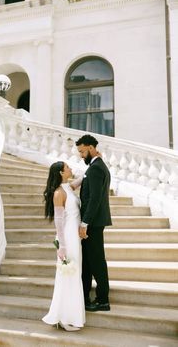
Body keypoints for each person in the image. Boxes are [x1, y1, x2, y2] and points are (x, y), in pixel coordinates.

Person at [42, 161, 85, 331]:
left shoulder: (67, 187)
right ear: (61, 172)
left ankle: (67, 316)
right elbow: (59, 222)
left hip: (74, 237)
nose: (71, 169)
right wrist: (62, 246)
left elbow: (79, 180)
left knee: (74, 275)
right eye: (68, 168)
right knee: (68, 276)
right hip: (67, 238)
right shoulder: (58, 193)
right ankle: (64, 318)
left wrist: (92, 169)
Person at [76, 134, 112, 312]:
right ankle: (87, 296)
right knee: (90, 261)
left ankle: (103, 300)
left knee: (97, 261)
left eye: (82, 151)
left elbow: (95, 198)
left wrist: (84, 223)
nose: (81, 155)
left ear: (91, 148)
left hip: (94, 223)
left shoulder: (96, 168)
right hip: (95, 222)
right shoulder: (95, 166)